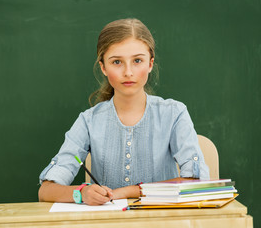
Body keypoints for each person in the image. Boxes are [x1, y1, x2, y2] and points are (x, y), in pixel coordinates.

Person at [38, 18, 210, 205]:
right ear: (103, 67)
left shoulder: (174, 114)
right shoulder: (89, 121)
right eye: (117, 62)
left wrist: (128, 192)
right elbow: (46, 191)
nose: (128, 72)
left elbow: (198, 184)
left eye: (137, 60)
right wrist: (81, 193)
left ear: (150, 63)